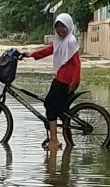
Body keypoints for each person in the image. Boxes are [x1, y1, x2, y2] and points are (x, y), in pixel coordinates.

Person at [21, 12, 81, 150]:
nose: (60, 30)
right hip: (59, 78)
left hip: (66, 82)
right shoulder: (60, 42)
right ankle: (61, 129)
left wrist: (76, 81)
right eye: (58, 26)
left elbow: (77, 64)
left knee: (51, 110)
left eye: (63, 26)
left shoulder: (71, 42)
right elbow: (48, 50)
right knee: (50, 104)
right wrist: (30, 54)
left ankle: (54, 140)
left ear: (69, 26)